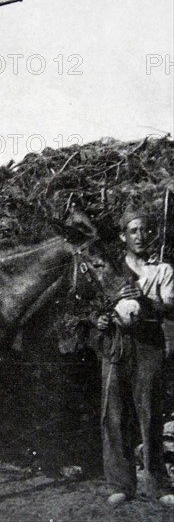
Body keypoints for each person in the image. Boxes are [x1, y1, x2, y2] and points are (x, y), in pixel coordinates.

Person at [92, 208, 174, 505]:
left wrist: (145, 300)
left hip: (149, 346)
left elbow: (169, 307)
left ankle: (159, 485)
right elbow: (95, 304)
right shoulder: (111, 271)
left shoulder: (161, 270)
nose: (139, 236)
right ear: (123, 236)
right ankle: (120, 484)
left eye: (144, 230)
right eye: (133, 231)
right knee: (113, 414)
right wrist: (98, 320)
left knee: (150, 412)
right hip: (116, 345)